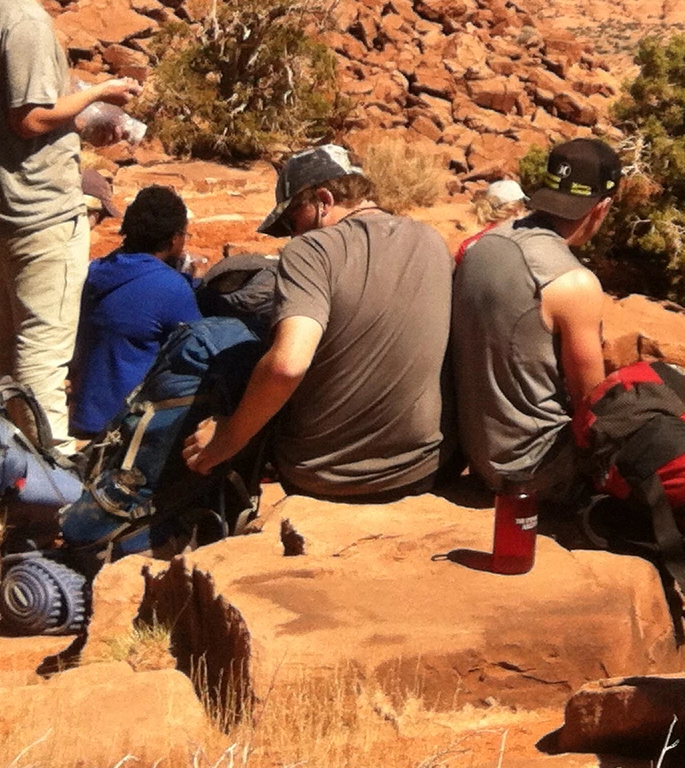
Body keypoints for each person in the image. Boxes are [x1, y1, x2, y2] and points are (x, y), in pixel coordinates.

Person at [0, 0, 139, 445]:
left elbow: (32, 108)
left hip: (0, 207)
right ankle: (53, 480)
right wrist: (104, 91)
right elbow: (31, 117)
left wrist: (84, 115)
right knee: (44, 351)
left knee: (5, 346)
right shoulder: (27, 22)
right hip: (39, 211)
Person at [179, 144, 450, 501]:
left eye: (294, 219)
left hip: (325, 474)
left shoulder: (311, 251)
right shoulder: (432, 241)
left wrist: (228, 437)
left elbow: (287, 366)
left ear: (323, 200)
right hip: (424, 469)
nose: (294, 234)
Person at [450, 141, 622, 503]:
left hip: (476, 456)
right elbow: (593, 406)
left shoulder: (483, 244)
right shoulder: (573, 282)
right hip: (538, 472)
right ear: (602, 208)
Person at [66, 184, 200, 439]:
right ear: (174, 239)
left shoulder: (96, 271)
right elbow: (198, 348)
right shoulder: (171, 287)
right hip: (128, 425)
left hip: (84, 415)